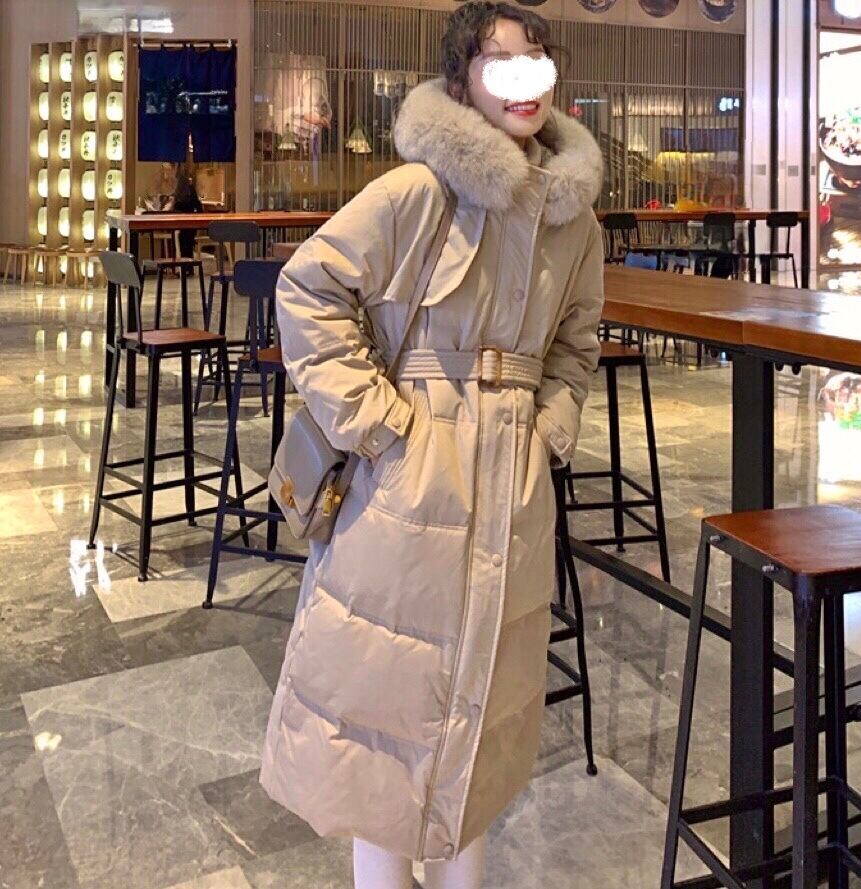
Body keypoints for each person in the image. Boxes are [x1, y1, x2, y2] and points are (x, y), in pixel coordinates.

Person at [259, 3, 605, 888]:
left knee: (480, 720)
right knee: (388, 711)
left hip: (512, 480)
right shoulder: (418, 190)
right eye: (499, 61)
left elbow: (576, 341)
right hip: (410, 473)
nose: (523, 78)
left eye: (536, 57)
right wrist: (378, 424)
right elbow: (308, 288)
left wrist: (549, 424)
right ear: (461, 81)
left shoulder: (573, 219)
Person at [163, 165, 203, 259]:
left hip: (184, 223)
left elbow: (178, 204)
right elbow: (198, 205)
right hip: (189, 223)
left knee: (184, 242)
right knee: (186, 244)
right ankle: (186, 265)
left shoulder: (181, 186)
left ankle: (184, 264)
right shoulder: (187, 186)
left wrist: (171, 204)